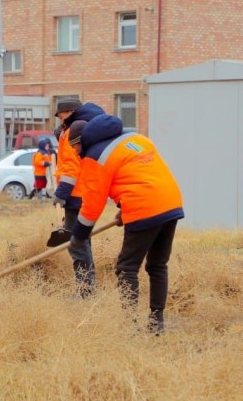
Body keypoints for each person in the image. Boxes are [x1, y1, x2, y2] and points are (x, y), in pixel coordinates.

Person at [67, 115, 184, 334]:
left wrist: (79, 235)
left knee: (126, 268)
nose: (74, 151)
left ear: (83, 141)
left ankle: (130, 325)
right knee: (158, 265)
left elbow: (93, 202)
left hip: (144, 207)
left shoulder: (96, 156)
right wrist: (123, 206)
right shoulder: (136, 139)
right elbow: (139, 175)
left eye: (74, 146)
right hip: (171, 202)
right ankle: (156, 322)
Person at [53, 99, 104, 298]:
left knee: (77, 243)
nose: (61, 121)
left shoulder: (72, 132)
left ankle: (85, 291)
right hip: (86, 193)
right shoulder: (83, 129)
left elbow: (71, 166)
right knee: (83, 241)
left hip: (75, 195)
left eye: (62, 116)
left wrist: (62, 193)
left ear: (71, 112)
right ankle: (88, 289)